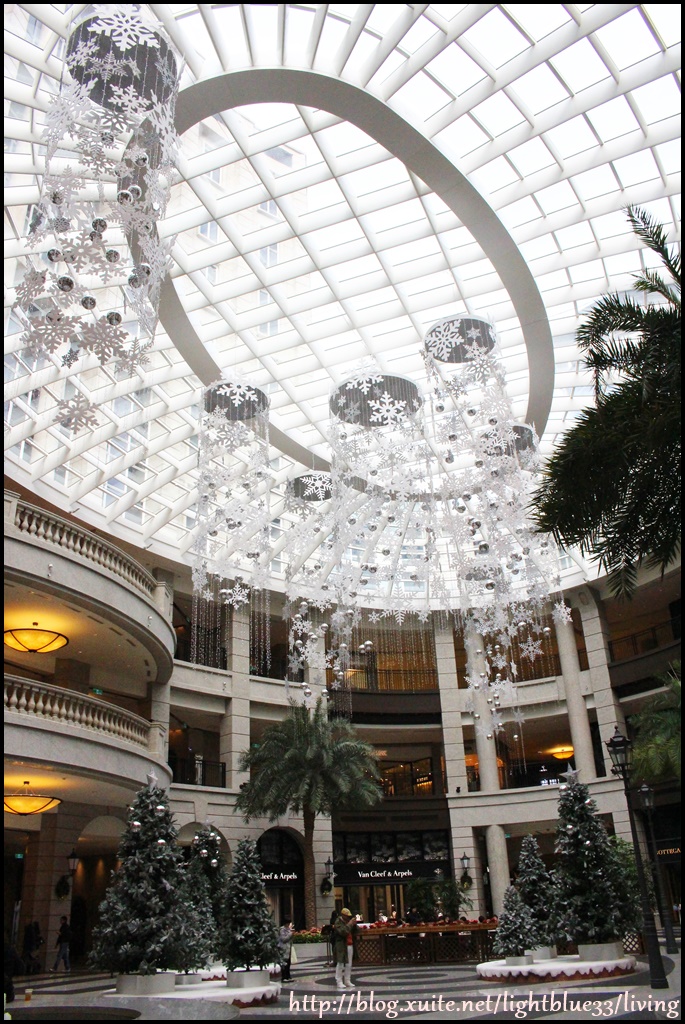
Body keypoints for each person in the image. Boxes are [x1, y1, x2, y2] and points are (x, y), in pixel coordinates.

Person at [332, 908, 357, 991]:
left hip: (350, 944)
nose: (348, 918)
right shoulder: (338, 922)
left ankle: (347, 980)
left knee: (349, 964)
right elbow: (343, 932)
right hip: (341, 945)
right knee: (340, 963)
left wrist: (354, 925)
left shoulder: (348, 922)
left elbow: (356, 931)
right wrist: (350, 924)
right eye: (347, 916)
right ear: (343, 915)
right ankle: (339, 980)